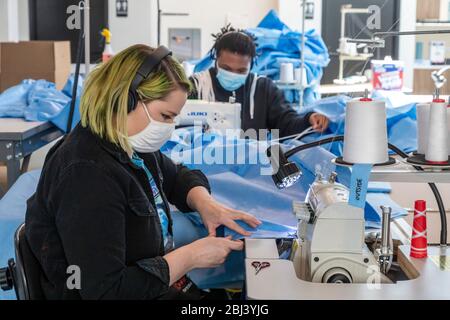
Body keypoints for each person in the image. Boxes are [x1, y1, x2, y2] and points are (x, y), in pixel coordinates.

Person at [25, 44, 261, 300]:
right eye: (166, 116)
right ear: (126, 99)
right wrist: (190, 257)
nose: (169, 128)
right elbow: (106, 291)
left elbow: (177, 177)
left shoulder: (128, 144)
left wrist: (205, 203)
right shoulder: (87, 174)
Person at [190, 26, 329, 138]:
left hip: (250, 168)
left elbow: (286, 124)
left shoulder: (263, 89)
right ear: (215, 59)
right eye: (226, 68)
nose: (232, 74)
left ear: (251, 65)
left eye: (241, 71)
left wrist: (308, 120)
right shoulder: (197, 86)